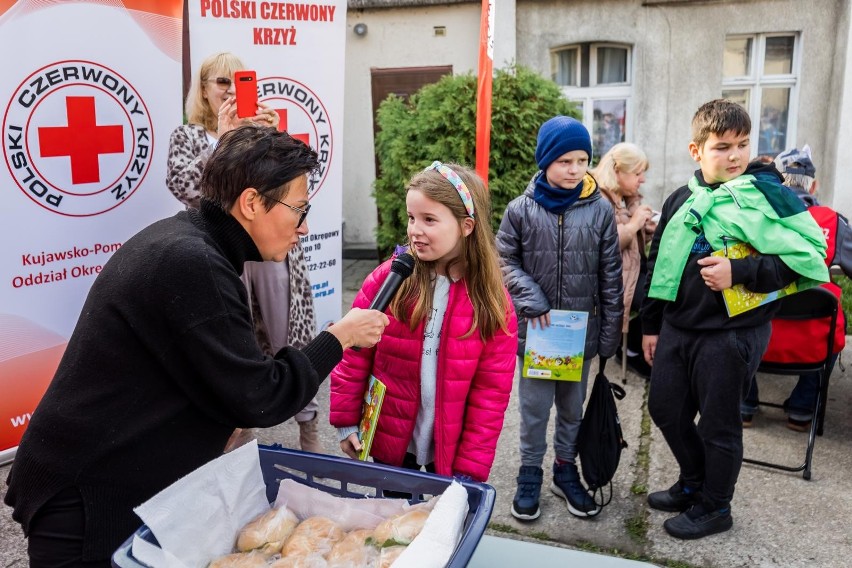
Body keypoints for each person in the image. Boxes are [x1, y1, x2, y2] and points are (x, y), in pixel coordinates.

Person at [4, 125, 389, 566]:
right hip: (85, 498)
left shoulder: (190, 242)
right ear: (250, 203)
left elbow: (214, 377)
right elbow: (260, 397)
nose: (303, 228)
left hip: (97, 480)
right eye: (298, 210)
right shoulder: (193, 263)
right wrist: (339, 337)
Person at [640, 100, 829, 540]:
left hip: (732, 335)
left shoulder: (768, 195)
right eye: (722, 147)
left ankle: (715, 506)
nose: (735, 156)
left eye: (743, 145)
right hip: (678, 327)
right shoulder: (681, 197)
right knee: (665, 408)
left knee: (719, 426)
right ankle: (694, 482)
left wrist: (739, 272)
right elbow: (657, 264)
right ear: (696, 150)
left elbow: (810, 258)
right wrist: (650, 325)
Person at [166, 52, 322, 452]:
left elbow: (306, 182)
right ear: (202, 89)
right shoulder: (188, 136)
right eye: (222, 82)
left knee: (290, 333)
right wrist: (223, 139)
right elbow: (184, 186)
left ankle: (308, 424)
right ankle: (237, 429)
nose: (231, 91)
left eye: (241, 82)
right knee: (232, 343)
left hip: (270, 253)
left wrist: (276, 140)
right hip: (219, 252)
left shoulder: (262, 134)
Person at [329, 162, 518, 483]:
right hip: (391, 437)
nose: (415, 229)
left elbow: (491, 392)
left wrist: (471, 466)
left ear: (466, 226)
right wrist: (347, 421)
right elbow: (354, 353)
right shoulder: (388, 280)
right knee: (393, 521)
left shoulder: (491, 302)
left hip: (450, 449)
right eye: (412, 218)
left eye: (429, 219)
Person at [496, 116, 623, 521]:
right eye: (564, 160)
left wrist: (610, 333)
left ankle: (565, 471)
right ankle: (529, 472)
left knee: (572, 410)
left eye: (582, 159)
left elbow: (611, 275)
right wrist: (532, 299)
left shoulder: (600, 211)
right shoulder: (520, 210)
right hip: (538, 333)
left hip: (578, 336)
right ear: (545, 161)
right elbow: (502, 261)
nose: (574, 169)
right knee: (534, 411)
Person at [741, 145, 851, 431]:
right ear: (813, 185)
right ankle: (801, 409)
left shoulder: (754, 215)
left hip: (758, 330)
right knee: (834, 317)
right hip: (812, 341)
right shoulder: (833, 222)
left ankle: (745, 404)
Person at [592, 142, 656, 378]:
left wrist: (646, 230)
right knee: (655, 299)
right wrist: (634, 224)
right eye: (638, 173)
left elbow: (632, 247)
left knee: (667, 289)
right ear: (617, 171)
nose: (643, 180)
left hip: (631, 270)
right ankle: (629, 350)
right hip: (611, 277)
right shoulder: (597, 199)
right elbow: (606, 245)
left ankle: (629, 347)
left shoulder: (626, 197)